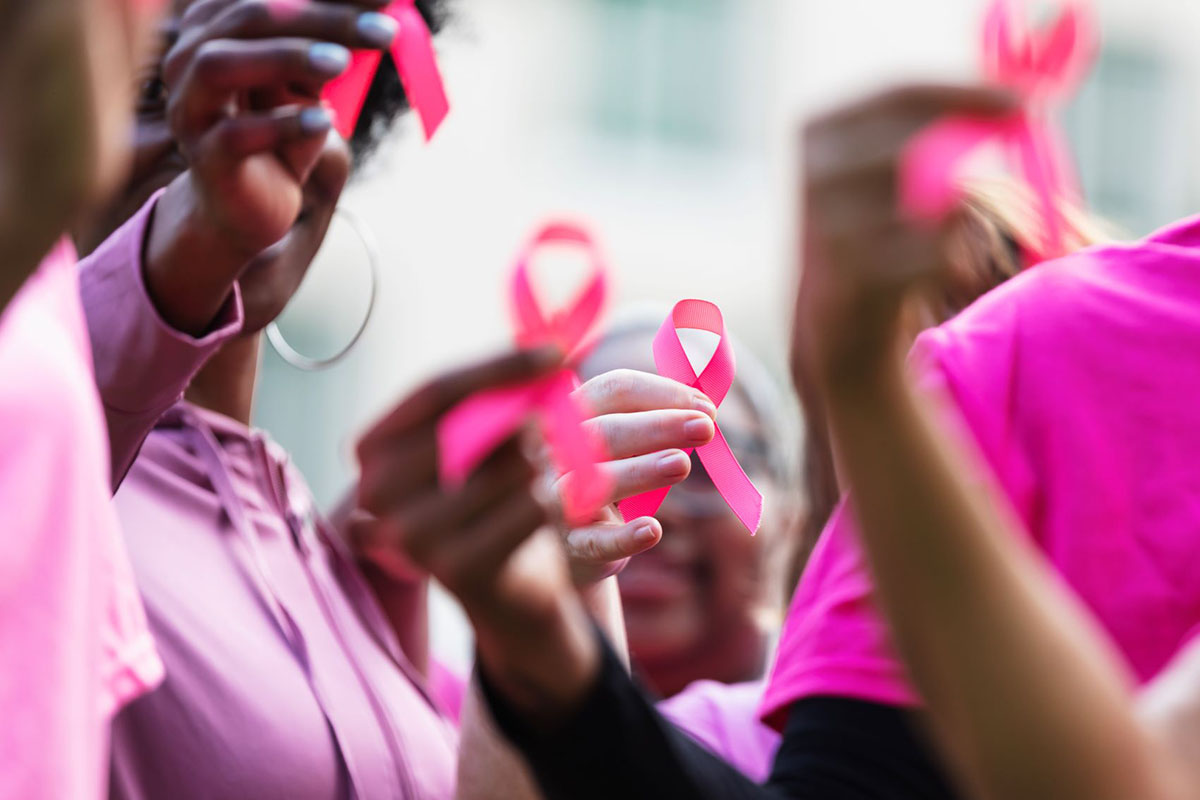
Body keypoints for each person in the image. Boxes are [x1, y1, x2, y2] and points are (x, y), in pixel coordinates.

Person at [92, 2, 720, 798]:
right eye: (158, 88)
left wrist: (545, 598)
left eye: (296, 85)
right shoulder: (48, 464)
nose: (232, 126)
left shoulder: (322, 553)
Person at [577, 314, 802, 782]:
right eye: (602, 463)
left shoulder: (849, 734)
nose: (650, 508)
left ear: (789, 516)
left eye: (701, 465)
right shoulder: (446, 736)